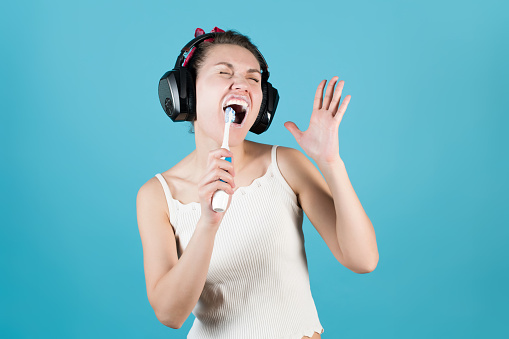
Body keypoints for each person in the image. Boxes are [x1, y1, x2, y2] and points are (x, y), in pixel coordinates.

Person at [136, 27, 379, 339]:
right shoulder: (157, 195)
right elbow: (170, 314)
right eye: (224, 73)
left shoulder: (286, 164)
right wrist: (208, 223)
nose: (242, 84)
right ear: (186, 94)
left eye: (253, 78)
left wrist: (331, 163)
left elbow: (363, 259)